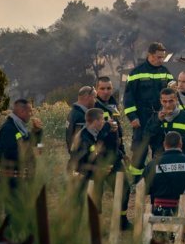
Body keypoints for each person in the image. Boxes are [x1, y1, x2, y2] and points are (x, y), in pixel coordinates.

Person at [123, 42, 174, 183]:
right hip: (142, 119)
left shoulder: (166, 73)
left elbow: (173, 94)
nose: (161, 60)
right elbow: (128, 98)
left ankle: (157, 182)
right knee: (139, 152)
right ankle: (135, 183)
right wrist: (132, 117)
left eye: (162, 57)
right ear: (149, 55)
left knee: (160, 152)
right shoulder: (136, 73)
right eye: (158, 57)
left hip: (160, 118)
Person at [95, 76, 131, 229]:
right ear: (96, 89)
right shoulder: (93, 106)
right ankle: (96, 225)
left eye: (108, 88)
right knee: (96, 193)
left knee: (124, 188)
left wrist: (122, 152)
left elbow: (118, 131)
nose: (105, 91)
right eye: (102, 88)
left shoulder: (113, 104)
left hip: (114, 157)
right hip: (97, 159)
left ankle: (121, 221)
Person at [143, 131, 185, 217]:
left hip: (158, 211)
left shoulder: (152, 164)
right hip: (183, 211)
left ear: (164, 144)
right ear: (180, 144)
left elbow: (144, 188)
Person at [68, 108, 118, 195]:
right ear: (95, 121)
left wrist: (113, 133)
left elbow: (111, 148)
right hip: (83, 179)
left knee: (96, 202)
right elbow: (81, 163)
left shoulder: (97, 134)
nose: (104, 122)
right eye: (102, 119)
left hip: (95, 176)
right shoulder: (83, 138)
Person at [0, 99, 43, 185]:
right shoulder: (8, 129)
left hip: (24, 184)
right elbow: (10, 155)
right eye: (30, 112)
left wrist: (38, 133)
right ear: (22, 111)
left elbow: (39, 152)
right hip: (13, 184)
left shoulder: (21, 131)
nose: (31, 114)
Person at [145, 88, 185, 158]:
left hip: (182, 159)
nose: (168, 105)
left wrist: (176, 141)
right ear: (160, 101)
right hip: (160, 160)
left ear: (176, 100)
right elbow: (147, 139)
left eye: (171, 101)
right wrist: (158, 121)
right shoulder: (155, 118)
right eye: (164, 101)